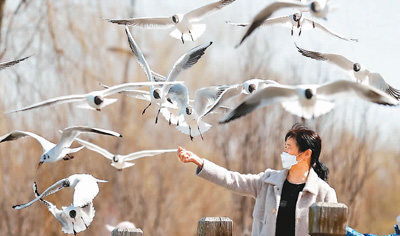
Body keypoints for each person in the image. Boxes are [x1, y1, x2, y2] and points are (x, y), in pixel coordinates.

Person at [176, 124, 337, 236]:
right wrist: (200, 162)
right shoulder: (267, 182)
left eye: (289, 148)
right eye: (284, 147)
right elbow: (232, 180)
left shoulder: (324, 194)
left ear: (306, 154)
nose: (284, 152)